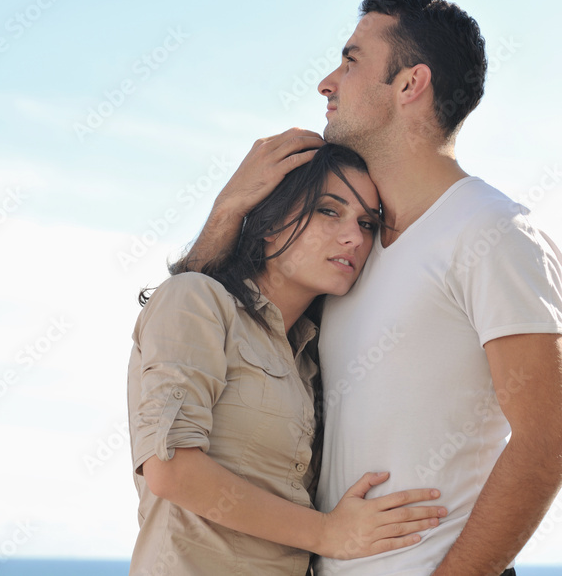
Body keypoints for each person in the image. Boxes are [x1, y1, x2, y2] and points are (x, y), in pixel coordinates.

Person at [181, 0, 562, 576]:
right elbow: (200, 331)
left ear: (411, 84)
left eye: (351, 60)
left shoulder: (494, 231)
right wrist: (227, 211)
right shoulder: (347, 250)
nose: (327, 83)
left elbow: (548, 440)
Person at [128, 143, 447, 575]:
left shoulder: (311, 360)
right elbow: (172, 470)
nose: (355, 236)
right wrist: (328, 533)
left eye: (367, 223)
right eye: (329, 211)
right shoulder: (196, 300)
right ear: (270, 222)